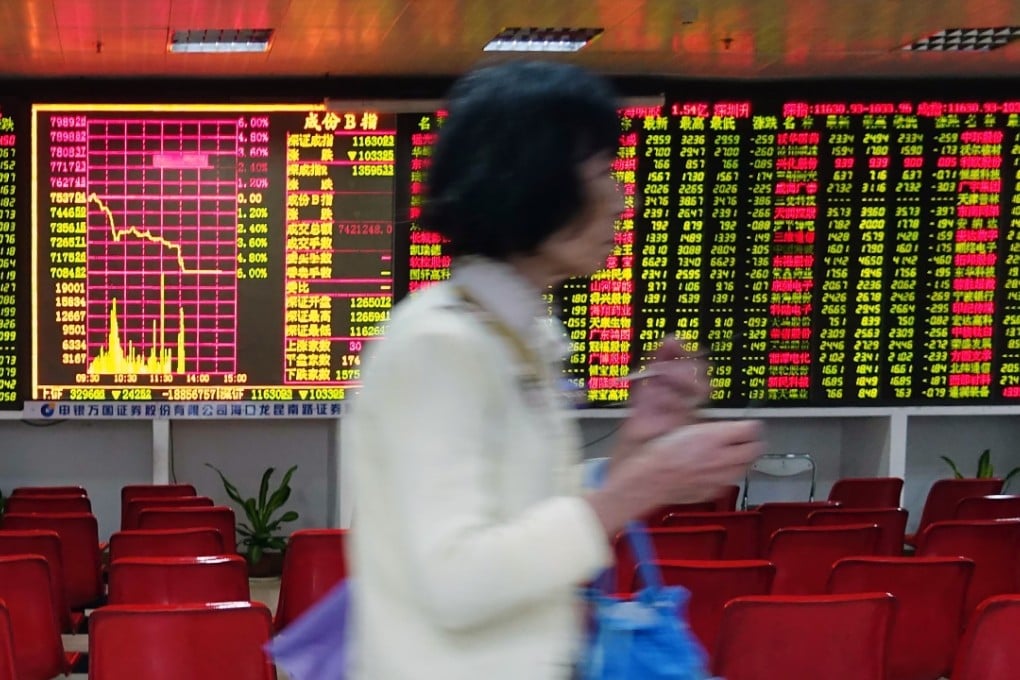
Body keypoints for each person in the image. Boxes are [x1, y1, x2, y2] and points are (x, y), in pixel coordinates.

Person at [343, 60, 763, 680]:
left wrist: (637, 445)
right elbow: (456, 580)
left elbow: (530, 521)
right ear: (532, 182)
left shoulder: (512, 336)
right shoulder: (438, 347)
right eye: (601, 172)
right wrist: (638, 487)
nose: (624, 199)